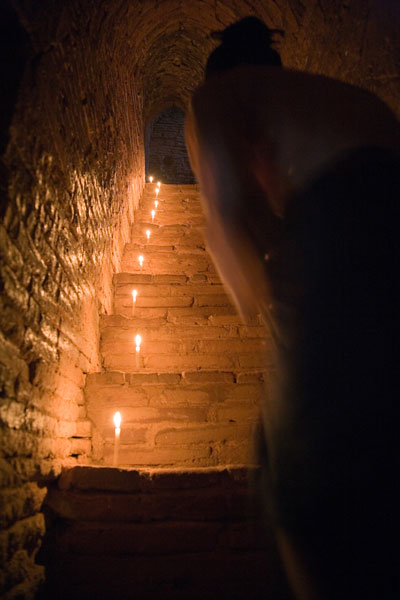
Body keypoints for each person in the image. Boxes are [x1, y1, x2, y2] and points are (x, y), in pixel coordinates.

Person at [185, 16, 400, 600]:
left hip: (338, 221)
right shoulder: (341, 98)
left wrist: (260, 301)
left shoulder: (217, 96)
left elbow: (229, 211)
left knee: (291, 459)